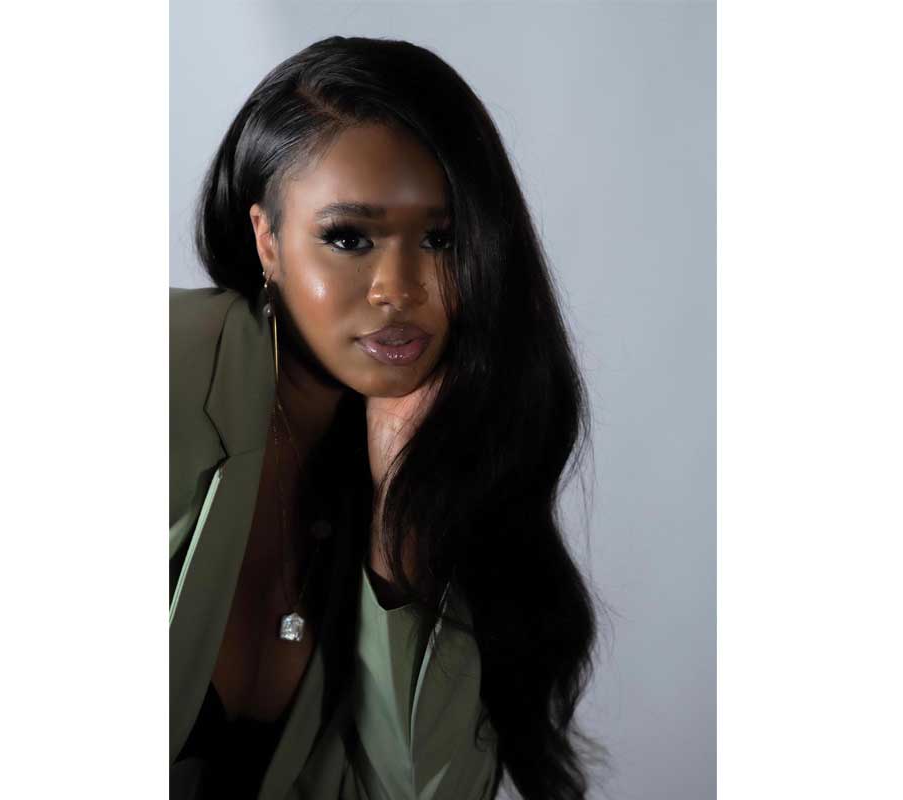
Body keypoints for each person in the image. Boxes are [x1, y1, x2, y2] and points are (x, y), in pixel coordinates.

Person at [170, 35, 603, 800]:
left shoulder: (432, 462)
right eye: (348, 238)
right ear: (266, 239)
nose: (398, 289)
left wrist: (398, 538)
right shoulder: (166, 370)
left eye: (441, 238)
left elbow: (425, 789)